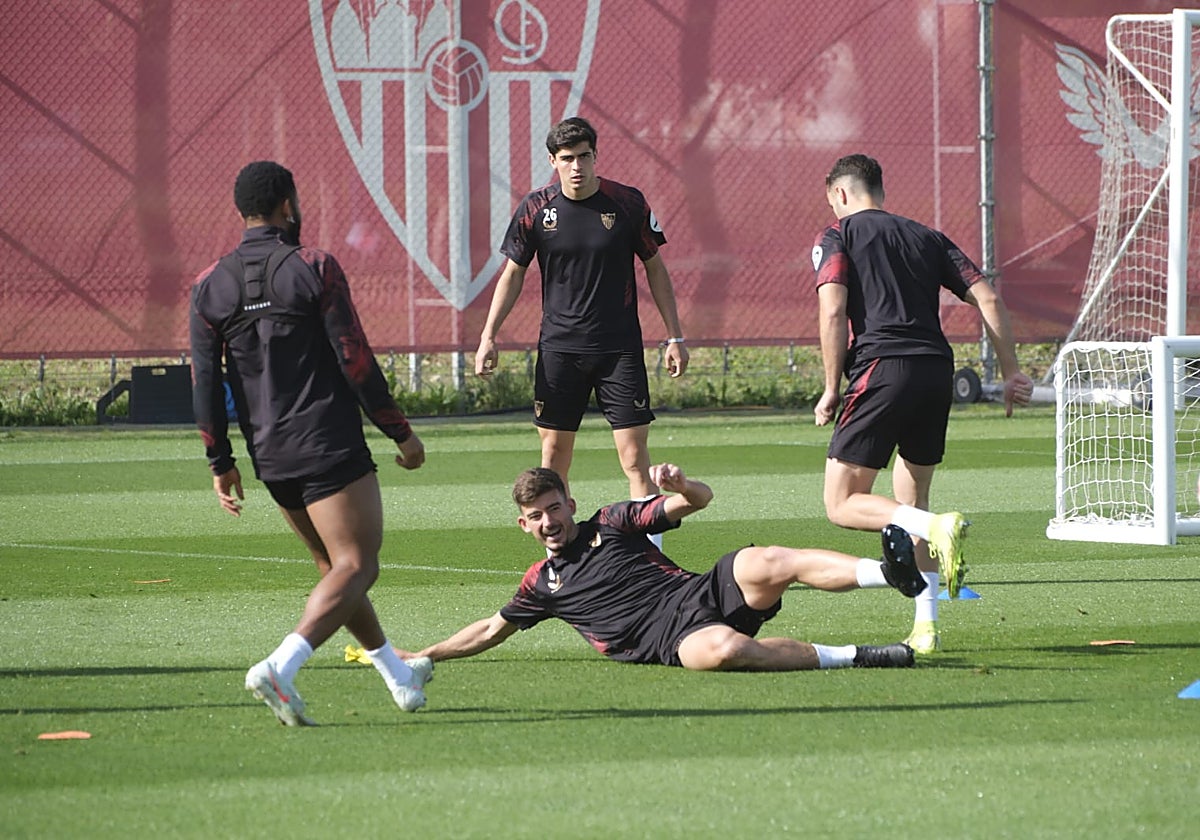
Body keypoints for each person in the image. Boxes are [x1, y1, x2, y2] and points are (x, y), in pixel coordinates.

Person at [189, 160, 434, 726]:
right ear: (288, 205)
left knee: (333, 567)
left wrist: (220, 460)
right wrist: (400, 431)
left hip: (269, 453)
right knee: (358, 564)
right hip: (327, 441)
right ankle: (281, 666)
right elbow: (355, 359)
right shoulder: (314, 266)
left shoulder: (208, 284)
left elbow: (203, 383)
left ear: (241, 210)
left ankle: (398, 676)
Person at [812, 153, 1034, 654]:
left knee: (841, 503)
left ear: (840, 194)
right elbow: (988, 298)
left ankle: (934, 528)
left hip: (881, 368)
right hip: (936, 370)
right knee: (912, 501)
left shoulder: (838, 235)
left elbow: (833, 310)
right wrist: (1011, 371)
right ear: (880, 191)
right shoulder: (926, 236)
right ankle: (926, 626)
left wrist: (829, 387)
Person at [395, 463, 922, 672]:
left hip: (699, 593)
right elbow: (490, 630)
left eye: (554, 509)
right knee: (724, 652)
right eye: (536, 516)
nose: (549, 522)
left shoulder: (612, 520)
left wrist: (683, 486)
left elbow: (699, 501)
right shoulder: (542, 584)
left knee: (768, 560)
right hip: (669, 641)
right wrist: (425, 653)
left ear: (570, 505)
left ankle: (888, 573)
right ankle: (859, 656)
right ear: (524, 525)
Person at [474, 116, 688, 544]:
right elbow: (513, 274)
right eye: (568, 158)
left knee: (634, 457)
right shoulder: (536, 208)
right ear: (552, 161)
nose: (577, 166)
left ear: (596, 156)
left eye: (584, 157)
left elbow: (656, 269)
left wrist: (675, 336)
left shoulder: (626, 203)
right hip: (559, 350)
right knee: (554, 458)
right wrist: (488, 336)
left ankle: (650, 557)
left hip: (619, 350)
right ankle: (560, 555)